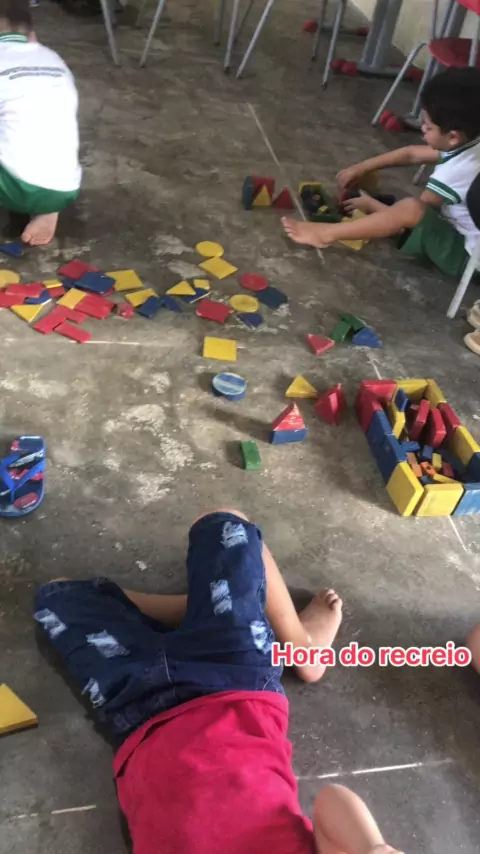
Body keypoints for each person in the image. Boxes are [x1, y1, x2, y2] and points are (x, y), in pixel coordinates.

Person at [34, 509, 403, 854]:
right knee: (226, 525)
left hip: (138, 709)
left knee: (57, 596)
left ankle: (196, 606)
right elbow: (331, 801)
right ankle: (301, 646)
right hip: (237, 681)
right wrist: (372, 848)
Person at [283, 67, 480, 280]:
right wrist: (362, 167)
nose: (422, 128)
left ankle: (326, 234)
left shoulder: (455, 172)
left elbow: (409, 219)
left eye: (428, 127)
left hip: (468, 262)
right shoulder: (471, 142)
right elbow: (412, 154)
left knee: (410, 206)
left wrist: (372, 206)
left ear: (453, 137)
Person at [0, 1, 81, 245]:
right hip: (65, 186)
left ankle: (25, 201)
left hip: (18, 188)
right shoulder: (53, 58)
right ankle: (48, 210)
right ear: (32, 36)